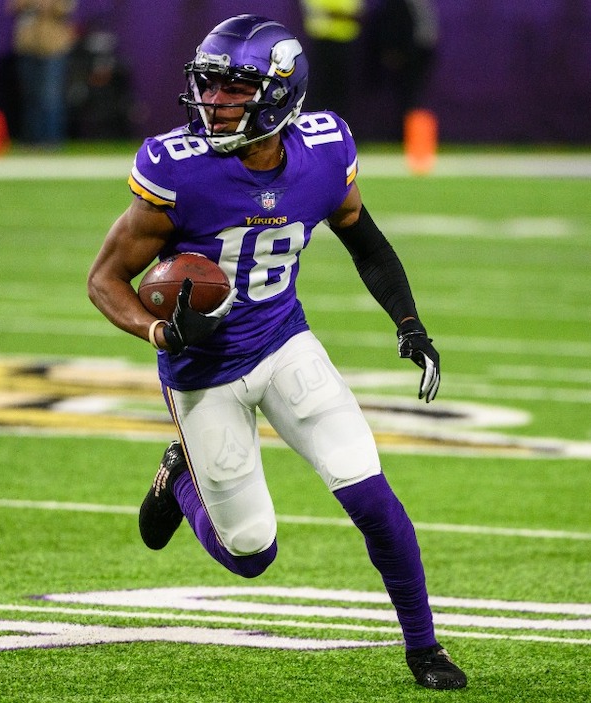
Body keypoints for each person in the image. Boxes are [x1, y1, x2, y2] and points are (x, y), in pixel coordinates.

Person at [86, 15, 464, 691]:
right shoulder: (178, 169)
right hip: (202, 370)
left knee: (371, 493)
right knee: (252, 552)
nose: (216, 102)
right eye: (209, 86)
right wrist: (159, 331)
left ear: (282, 94)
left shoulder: (324, 150)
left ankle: (424, 647)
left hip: (284, 342)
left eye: (234, 88)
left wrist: (409, 322)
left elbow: (364, 238)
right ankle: (179, 478)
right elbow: (105, 279)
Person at [8, 0, 77, 145]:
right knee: (30, 96)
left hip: (53, 49)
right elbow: (12, 7)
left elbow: (65, 9)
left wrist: (47, 5)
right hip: (27, 47)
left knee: (50, 97)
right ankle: (32, 140)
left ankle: (52, 141)